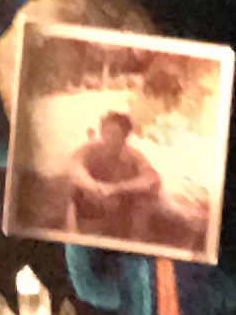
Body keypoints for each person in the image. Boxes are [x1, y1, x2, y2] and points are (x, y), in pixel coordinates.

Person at [56, 103, 200, 254]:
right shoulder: (90, 150)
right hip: (92, 201)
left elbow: (151, 178)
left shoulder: (133, 156)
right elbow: (75, 167)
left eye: (115, 134)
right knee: (72, 191)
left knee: (154, 202)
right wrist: (95, 187)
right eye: (106, 132)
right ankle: (72, 239)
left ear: (125, 137)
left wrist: (116, 189)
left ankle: (141, 242)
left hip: (122, 204)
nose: (109, 138)